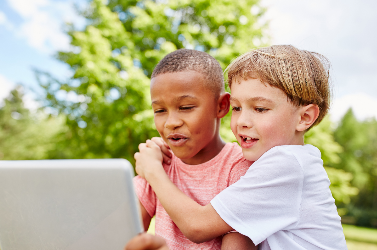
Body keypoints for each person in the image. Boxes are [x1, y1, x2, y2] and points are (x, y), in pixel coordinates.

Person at [132, 45, 348, 249]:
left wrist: (152, 170)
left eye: (260, 108)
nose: (242, 121)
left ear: (304, 117)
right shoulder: (278, 163)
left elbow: (198, 226)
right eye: (237, 108)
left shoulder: (286, 165)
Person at [133, 49, 256, 249]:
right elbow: (120, 237)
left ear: (221, 106)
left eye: (186, 107)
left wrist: (153, 172)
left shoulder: (240, 169)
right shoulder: (159, 162)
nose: (171, 123)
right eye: (160, 110)